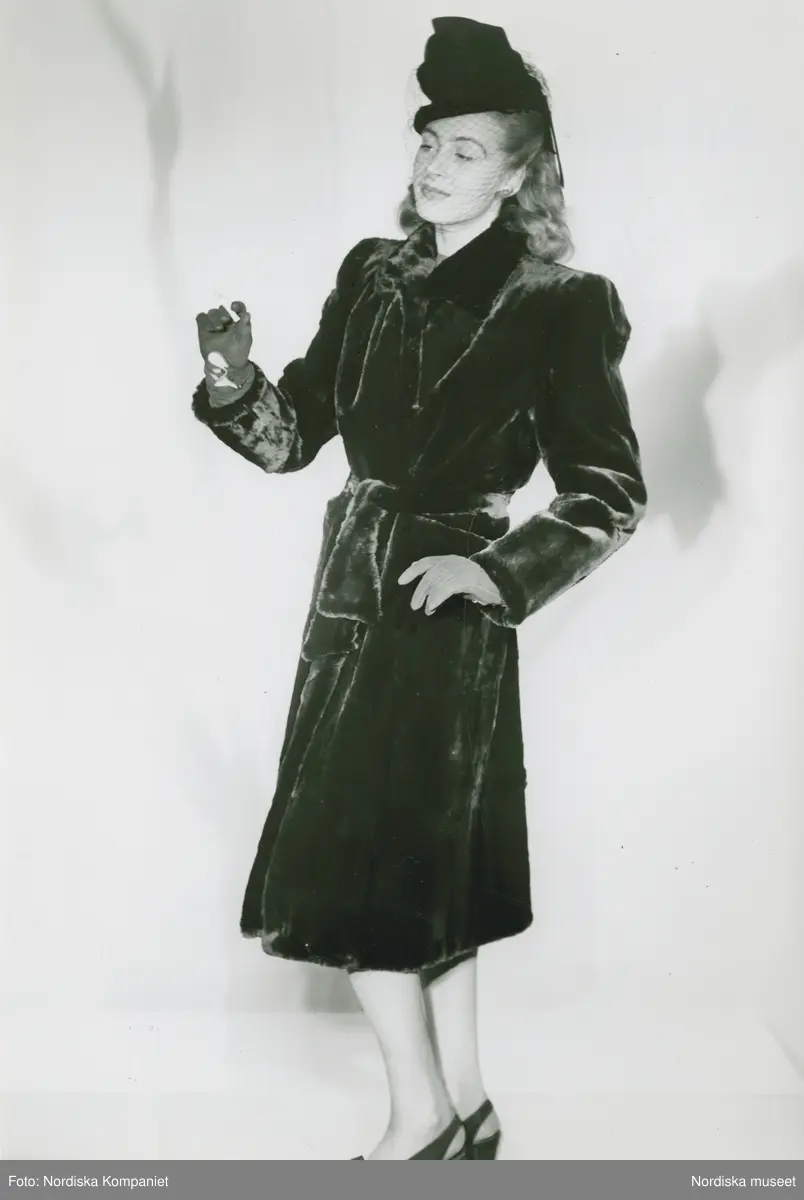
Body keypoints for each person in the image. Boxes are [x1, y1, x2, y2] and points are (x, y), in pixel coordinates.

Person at [192, 16, 647, 1161]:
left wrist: (491, 570)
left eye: (467, 151)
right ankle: (470, 1111)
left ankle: (421, 1120)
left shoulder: (560, 299)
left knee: (372, 873)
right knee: (421, 866)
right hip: (349, 603)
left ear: (519, 174)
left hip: (447, 617)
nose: (436, 165)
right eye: (430, 143)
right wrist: (235, 383)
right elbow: (297, 437)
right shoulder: (372, 273)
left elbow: (608, 491)